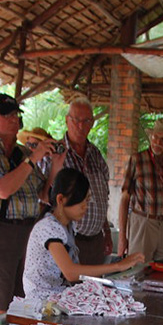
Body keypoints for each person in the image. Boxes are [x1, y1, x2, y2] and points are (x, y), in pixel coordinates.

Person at [0, 93, 62, 319]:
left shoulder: (22, 153)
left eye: (16, 115)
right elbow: (2, 189)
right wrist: (33, 158)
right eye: (7, 115)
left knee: (22, 303)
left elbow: (44, 194)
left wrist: (55, 166)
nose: (14, 119)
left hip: (28, 232)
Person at [23, 168, 144, 300]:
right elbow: (71, 272)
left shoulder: (68, 226)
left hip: (60, 294)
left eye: (88, 200)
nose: (86, 206)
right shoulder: (48, 227)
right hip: (42, 299)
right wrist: (117, 266)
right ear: (61, 200)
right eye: (83, 201)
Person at [118, 117, 163, 262]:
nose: (157, 143)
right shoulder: (137, 159)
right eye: (155, 137)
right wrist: (122, 237)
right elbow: (125, 198)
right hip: (143, 221)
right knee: (138, 270)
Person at [50, 96, 112, 265]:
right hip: (67, 240)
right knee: (68, 289)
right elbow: (45, 199)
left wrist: (106, 231)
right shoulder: (55, 153)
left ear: (92, 123)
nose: (81, 126)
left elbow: (102, 197)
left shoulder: (96, 155)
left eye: (86, 121)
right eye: (76, 120)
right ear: (66, 120)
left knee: (93, 290)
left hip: (95, 241)